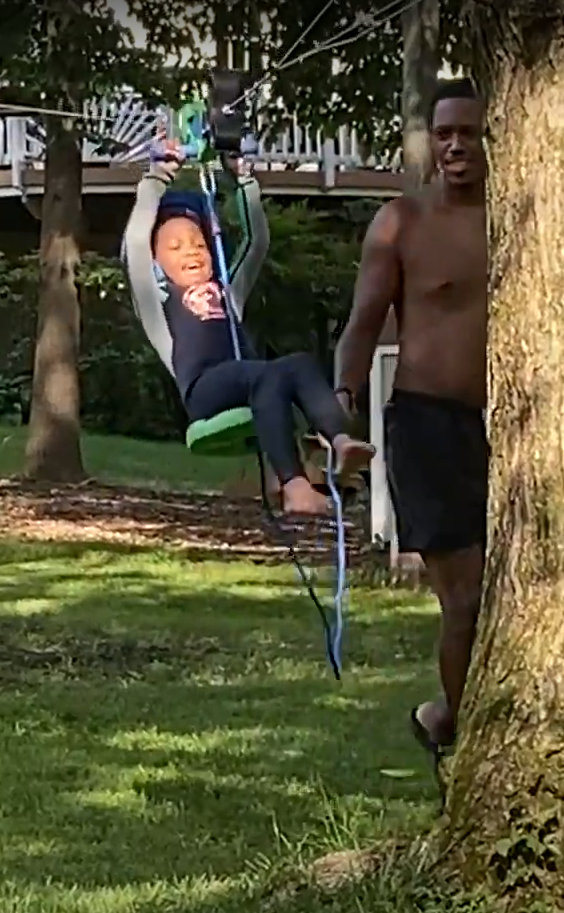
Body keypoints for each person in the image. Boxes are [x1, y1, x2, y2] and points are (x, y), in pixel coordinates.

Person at [335, 77, 488, 752]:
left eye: (469, 133)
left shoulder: (530, 217)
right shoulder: (403, 221)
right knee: (466, 597)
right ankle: (461, 733)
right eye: (444, 133)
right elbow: (363, 324)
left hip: (513, 430)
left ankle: (448, 716)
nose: (455, 146)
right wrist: (342, 409)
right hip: (427, 427)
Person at [122, 141, 375, 516]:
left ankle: (339, 441)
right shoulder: (157, 299)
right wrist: (157, 178)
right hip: (203, 390)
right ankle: (294, 489)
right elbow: (135, 242)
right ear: (157, 262)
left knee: (298, 363)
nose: (191, 251)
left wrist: (244, 178)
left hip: (250, 378)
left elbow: (257, 242)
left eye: (198, 244)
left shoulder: (228, 292)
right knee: (266, 375)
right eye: (175, 247)